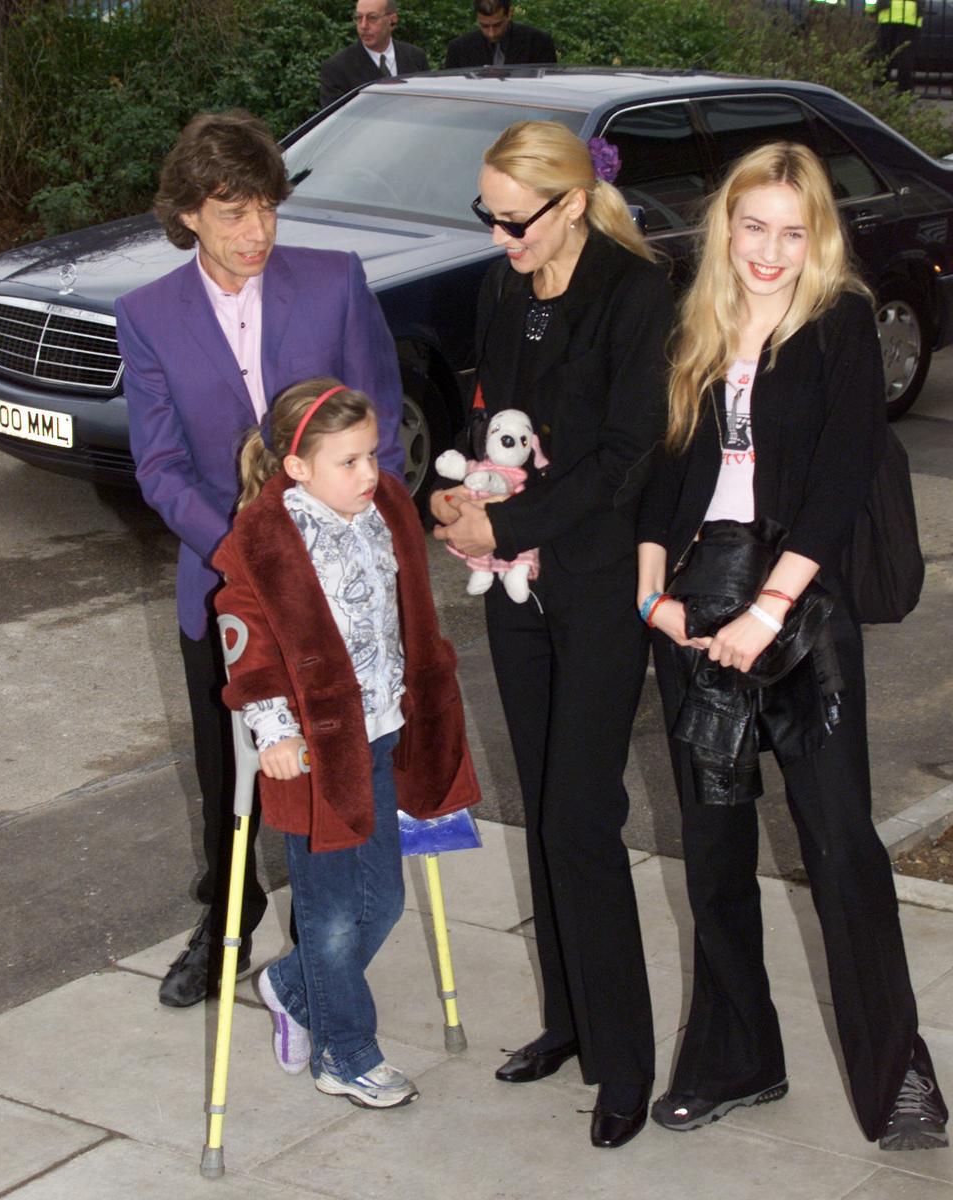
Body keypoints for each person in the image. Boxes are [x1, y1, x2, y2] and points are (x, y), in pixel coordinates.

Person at [637, 141, 948, 1152]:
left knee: (841, 843)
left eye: (791, 230)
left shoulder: (841, 322)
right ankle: (735, 1056)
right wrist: (654, 591)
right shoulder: (697, 315)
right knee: (716, 844)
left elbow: (844, 473)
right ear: (725, 224)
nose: (768, 250)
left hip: (799, 608)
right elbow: (664, 461)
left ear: (818, 235)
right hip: (693, 602)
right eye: (752, 225)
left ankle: (897, 1070)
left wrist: (770, 609)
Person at [116, 109, 404, 1009]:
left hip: (341, 583)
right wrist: (254, 553)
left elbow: (381, 427)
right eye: (231, 211)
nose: (256, 232)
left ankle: (334, 922)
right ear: (189, 214)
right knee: (226, 769)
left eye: (267, 208)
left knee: (338, 762)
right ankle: (229, 917)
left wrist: (347, 534)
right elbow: (159, 466)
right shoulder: (148, 314)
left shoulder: (333, 283)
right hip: (225, 580)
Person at [431, 121, 674, 1149]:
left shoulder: (635, 290)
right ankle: (568, 1025)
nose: (497, 236)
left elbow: (627, 455)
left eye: (513, 218)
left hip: (599, 581)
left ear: (571, 203)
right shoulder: (502, 290)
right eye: (486, 215)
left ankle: (624, 1064)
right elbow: (491, 414)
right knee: (542, 800)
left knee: (581, 814)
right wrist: (460, 508)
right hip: (516, 588)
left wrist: (509, 523)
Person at [213, 378, 479, 1106]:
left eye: (372, 455)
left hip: (387, 729)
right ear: (298, 469)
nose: (372, 473)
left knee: (384, 900)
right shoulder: (263, 540)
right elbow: (246, 639)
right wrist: (274, 728)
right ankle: (346, 1052)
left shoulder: (385, 506)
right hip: (316, 751)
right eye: (350, 461)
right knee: (329, 918)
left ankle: (291, 987)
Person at [319, 0, 429, 109]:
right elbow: (337, 120)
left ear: (392, 20)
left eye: (372, 18)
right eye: (359, 18)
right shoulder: (337, 68)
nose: (363, 26)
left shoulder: (416, 57)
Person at [444, 0, 556, 68]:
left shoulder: (538, 43)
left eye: (497, 25)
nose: (491, 33)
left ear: (509, 14)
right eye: (484, 26)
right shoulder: (459, 49)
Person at [877, 0, 922, 92]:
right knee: (906, 56)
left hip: (887, 15)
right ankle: (904, 89)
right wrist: (920, 13)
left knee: (885, 54)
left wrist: (870, 10)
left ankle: (881, 86)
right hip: (910, 16)